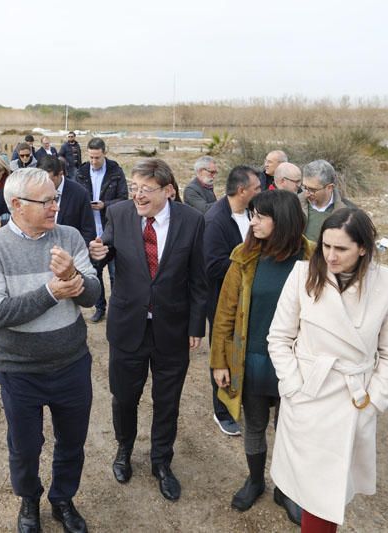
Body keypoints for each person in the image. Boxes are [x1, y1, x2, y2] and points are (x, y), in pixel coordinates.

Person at [0, 168, 100, 533]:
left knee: (72, 441)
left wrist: (73, 280)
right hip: (20, 371)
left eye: (55, 198)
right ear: (16, 205)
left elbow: (94, 296)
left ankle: (62, 499)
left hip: (72, 364)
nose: (55, 207)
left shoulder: (70, 236)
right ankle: (29, 499)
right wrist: (51, 292)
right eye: (46, 201)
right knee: (25, 447)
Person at [267, 208, 388, 532]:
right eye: (326, 246)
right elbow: (279, 337)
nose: (330, 256)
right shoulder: (302, 275)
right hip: (308, 394)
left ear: (363, 248)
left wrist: (374, 400)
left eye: (341, 249)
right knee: (312, 492)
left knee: (329, 493)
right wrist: (292, 384)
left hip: (352, 400)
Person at [89, 158, 208, 502]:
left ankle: (161, 462)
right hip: (128, 326)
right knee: (124, 396)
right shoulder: (120, 213)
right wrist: (98, 253)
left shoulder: (192, 221)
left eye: (146, 189)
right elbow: (106, 250)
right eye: (134, 188)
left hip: (172, 328)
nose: (137, 196)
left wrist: (196, 323)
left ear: (168, 190)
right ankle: (124, 449)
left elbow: (199, 278)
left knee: (166, 401)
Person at [210, 190, 312, 519]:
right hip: (252, 358)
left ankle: (285, 490)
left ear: (282, 220)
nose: (252, 222)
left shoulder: (311, 258)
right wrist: (219, 362)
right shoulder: (245, 256)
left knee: (290, 429)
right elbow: (225, 313)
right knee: (254, 426)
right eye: (251, 215)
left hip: (296, 362)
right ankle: (255, 481)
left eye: (260, 216)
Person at [203, 165, 262, 436]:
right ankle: (222, 410)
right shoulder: (216, 220)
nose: (260, 192)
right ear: (242, 191)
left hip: (246, 299)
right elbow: (212, 266)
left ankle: (242, 397)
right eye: (257, 188)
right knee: (223, 351)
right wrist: (245, 269)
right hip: (221, 301)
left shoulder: (251, 213)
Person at [76, 137, 127, 323]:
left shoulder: (116, 171)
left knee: (115, 275)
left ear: (104, 153)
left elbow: (124, 198)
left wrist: (105, 204)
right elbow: (75, 199)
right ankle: (100, 308)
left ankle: (117, 309)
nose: (94, 161)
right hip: (91, 233)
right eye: (91, 157)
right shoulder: (81, 172)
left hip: (112, 232)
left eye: (97, 157)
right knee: (95, 275)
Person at [38, 155, 96, 245]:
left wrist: (78, 255)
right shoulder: (35, 192)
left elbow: (88, 231)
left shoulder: (79, 194)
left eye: (49, 180)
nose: (44, 184)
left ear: (60, 174)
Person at [299, 159, 356, 242]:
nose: (307, 193)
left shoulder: (349, 211)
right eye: (304, 187)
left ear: (330, 187)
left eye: (312, 190)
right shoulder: (293, 204)